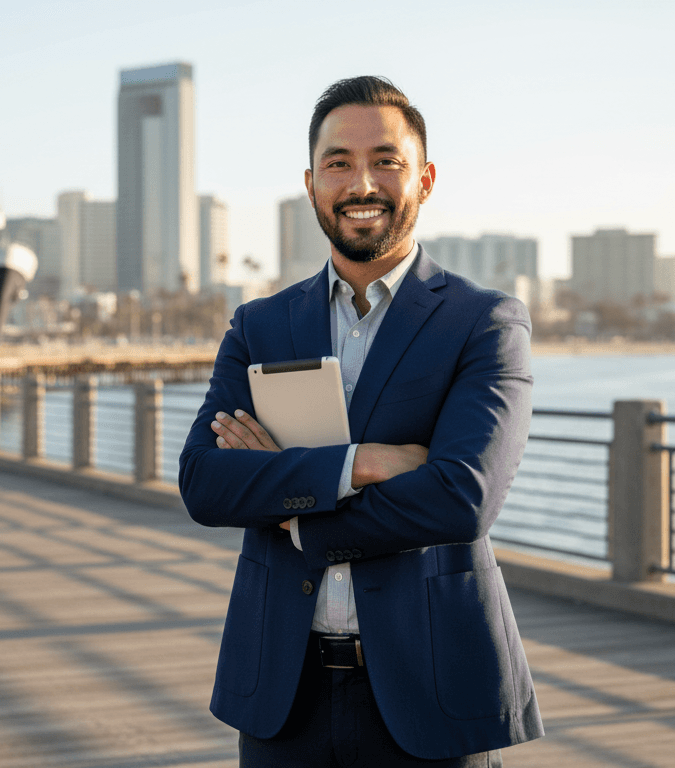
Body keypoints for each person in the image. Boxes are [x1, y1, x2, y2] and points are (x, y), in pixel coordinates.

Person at [178, 76, 543, 767]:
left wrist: (295, 515)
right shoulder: (260, 325)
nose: (361, 183)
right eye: (338, 163)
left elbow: (462, 499)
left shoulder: (484, 322)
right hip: (283, 695)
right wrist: (363, 464)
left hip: (432, 686)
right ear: (311, 184)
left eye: (386, 161)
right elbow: (204, 483)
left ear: (424, 180)